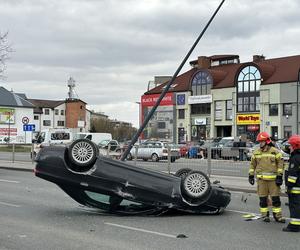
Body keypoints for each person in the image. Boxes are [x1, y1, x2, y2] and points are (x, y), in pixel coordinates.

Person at [248, 132, 285, 223]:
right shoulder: (256, 152)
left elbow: (281, 164)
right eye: (259, 141)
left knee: (276, 199)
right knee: (263, 199)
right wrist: (251, 175)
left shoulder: (275, 151)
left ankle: (278, 217)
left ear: (267, 141)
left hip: (273, 180)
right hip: (261, 181)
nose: (260, 143)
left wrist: (280, 176)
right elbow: (252, 165)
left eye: (262, 141)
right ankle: (265, 216)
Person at [282, 135, 300, 232]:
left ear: (295, 146)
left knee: (295, 207)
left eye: (290, 145)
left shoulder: (295, 158)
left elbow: (293, 175)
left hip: (296, 188)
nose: (289, 147)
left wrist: (289, 186)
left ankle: (294, 226)